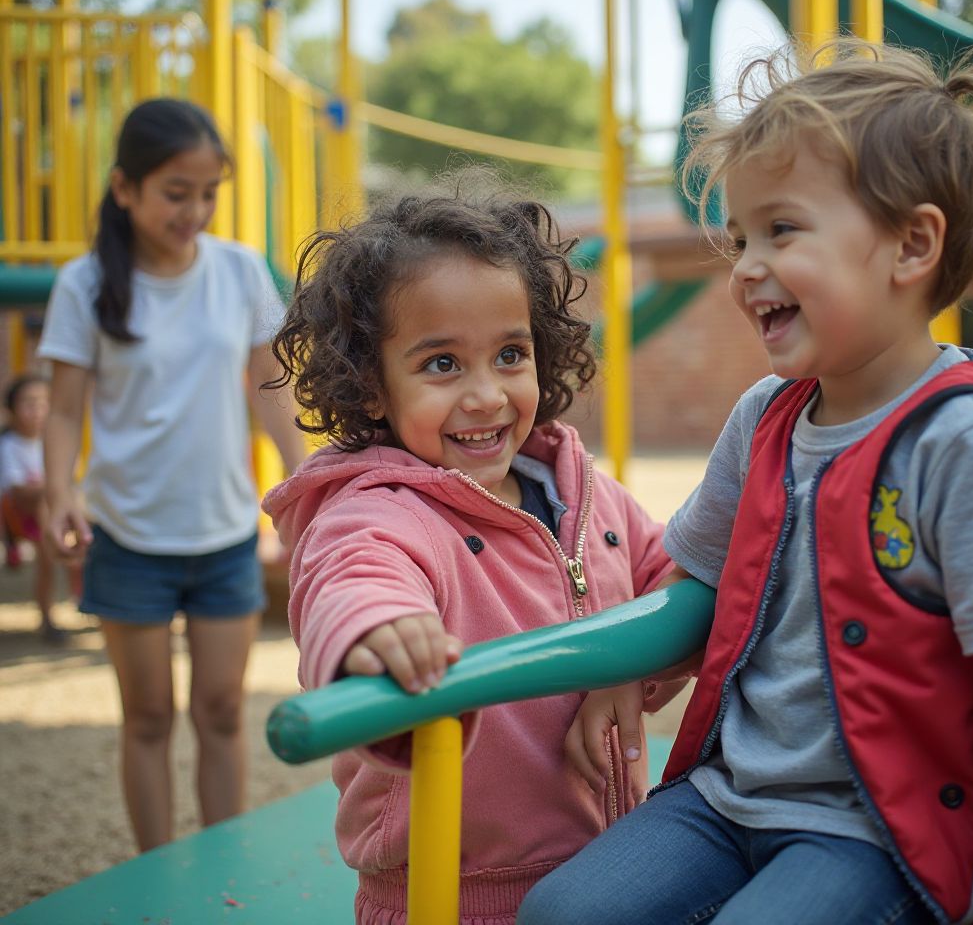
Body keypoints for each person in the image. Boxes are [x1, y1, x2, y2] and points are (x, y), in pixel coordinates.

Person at [518, 39, 973, 925]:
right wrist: (624, 678)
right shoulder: (767, 417)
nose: (746, 264)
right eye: (743, 235)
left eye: (781, 230)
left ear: (912, 243)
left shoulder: (965, 439)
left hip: (878, 827)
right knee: (563, 911)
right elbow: (699, 578)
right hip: (728, 794)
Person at [261, 186, 681, 925]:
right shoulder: (381, 512)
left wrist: (629, 661)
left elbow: (676, 577)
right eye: (442, 364)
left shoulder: (588, 497)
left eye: (510, 355)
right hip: (451, 896)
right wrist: (375, 629)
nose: (487, 395)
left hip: (608, 870)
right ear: (371, 388)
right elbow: (354, 573)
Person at [38, 98, 307, 852]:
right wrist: (61, 489)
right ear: (125, 189)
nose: (194, 210)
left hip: (222, 535)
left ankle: (221, 864)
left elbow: (269, 388)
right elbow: (62, 411)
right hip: (127, 538)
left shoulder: (239, 269)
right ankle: (154, 870)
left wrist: (301, 480)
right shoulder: (84, 284)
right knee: (149, 715)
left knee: (221, 711)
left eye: (208, 193)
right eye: (175, 193)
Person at [0, 373, 65, 642]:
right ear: (12, 409)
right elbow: (16, 490)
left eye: (43, 403)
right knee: (43, 501)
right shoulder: (9, 445)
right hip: (15, 514)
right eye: (29, 403)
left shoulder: (55, 443)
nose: (37, 410)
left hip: (46, 513)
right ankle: (54, 537)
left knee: (48, 560)